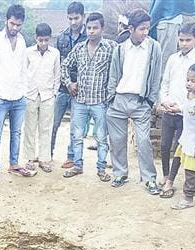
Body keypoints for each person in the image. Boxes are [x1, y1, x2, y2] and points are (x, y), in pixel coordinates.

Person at [106, 8, 162, 193]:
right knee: (117, 140)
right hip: (119, 99)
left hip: (141, 101)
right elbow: (113, 75)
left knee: (143, 141)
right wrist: (111, 97)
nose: (145, 32)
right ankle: (120, 173)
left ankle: (149, 178)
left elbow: (156, 76)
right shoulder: (120, 49)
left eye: (147, 28)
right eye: (141, 29)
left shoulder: (154, 48)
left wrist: (150, 100)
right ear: (131, 29)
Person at [60, 12, 116, 181]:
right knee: (77, 136)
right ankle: (77, 165)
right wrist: (69, 83)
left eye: (95, 28)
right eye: (89, 28)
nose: (91, 31)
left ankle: (101, 169)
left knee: (101, 137)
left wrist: (112, 93)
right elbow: (64, 66)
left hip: (100, 101)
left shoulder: (111, 48)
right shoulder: (79, 48)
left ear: (102, 29)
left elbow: (118, 70)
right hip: (80, 101)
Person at [0, 4, 34, 180]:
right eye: (12, 23)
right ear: (6, 20)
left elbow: (23, 68)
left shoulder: (21, 41)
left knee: (16, 132)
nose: (15, 27)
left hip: (19, 96)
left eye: (18, 25)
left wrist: (24, 91)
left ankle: (14, 164)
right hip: (1, 97)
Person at [160, 62, 195, 208]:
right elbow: (187, 108)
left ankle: (188, 198)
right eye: (187, 80)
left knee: (192, 169)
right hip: (187, 137)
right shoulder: (190, 95)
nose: (189, 83)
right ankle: (172, 182)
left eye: (193, 81)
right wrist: (177, 109)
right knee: (178, 158)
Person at [158, 21, 195, 178]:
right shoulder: (173, 59)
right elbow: (165, 83)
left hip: (186, 113)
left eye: (188, 40)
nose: (184, 43)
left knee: (179, 148)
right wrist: (164, 100)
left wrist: (182, 107)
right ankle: (165, 175)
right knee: (164, 146)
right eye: (181, 40)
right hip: (169, 109)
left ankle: (171, 179)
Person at [51, 2, 87, 168]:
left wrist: (77, 83)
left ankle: (71, 156)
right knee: (53, 123)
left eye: (76, 18)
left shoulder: (88, 37)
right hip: (63, 87)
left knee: (75, 126)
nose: (73, 22)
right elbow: (60, 63)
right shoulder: (62, 37)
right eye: (70, 18)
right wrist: (66, 83)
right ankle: (47, 153)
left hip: (81, 89)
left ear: (83, 17)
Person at [23, 23, 60, 173]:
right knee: (29, 128)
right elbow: (23, 73)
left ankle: (44, 159)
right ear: (35, 38)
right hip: (30, 95)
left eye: (46, 40)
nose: (43, 43)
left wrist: (53, 93)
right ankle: (30, 158)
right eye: (40, 40)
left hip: (48, 95)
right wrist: (25, 92)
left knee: (46, 128)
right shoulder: (28, 52)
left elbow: (57, 75)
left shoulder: (55, 53)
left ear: (50, 38)